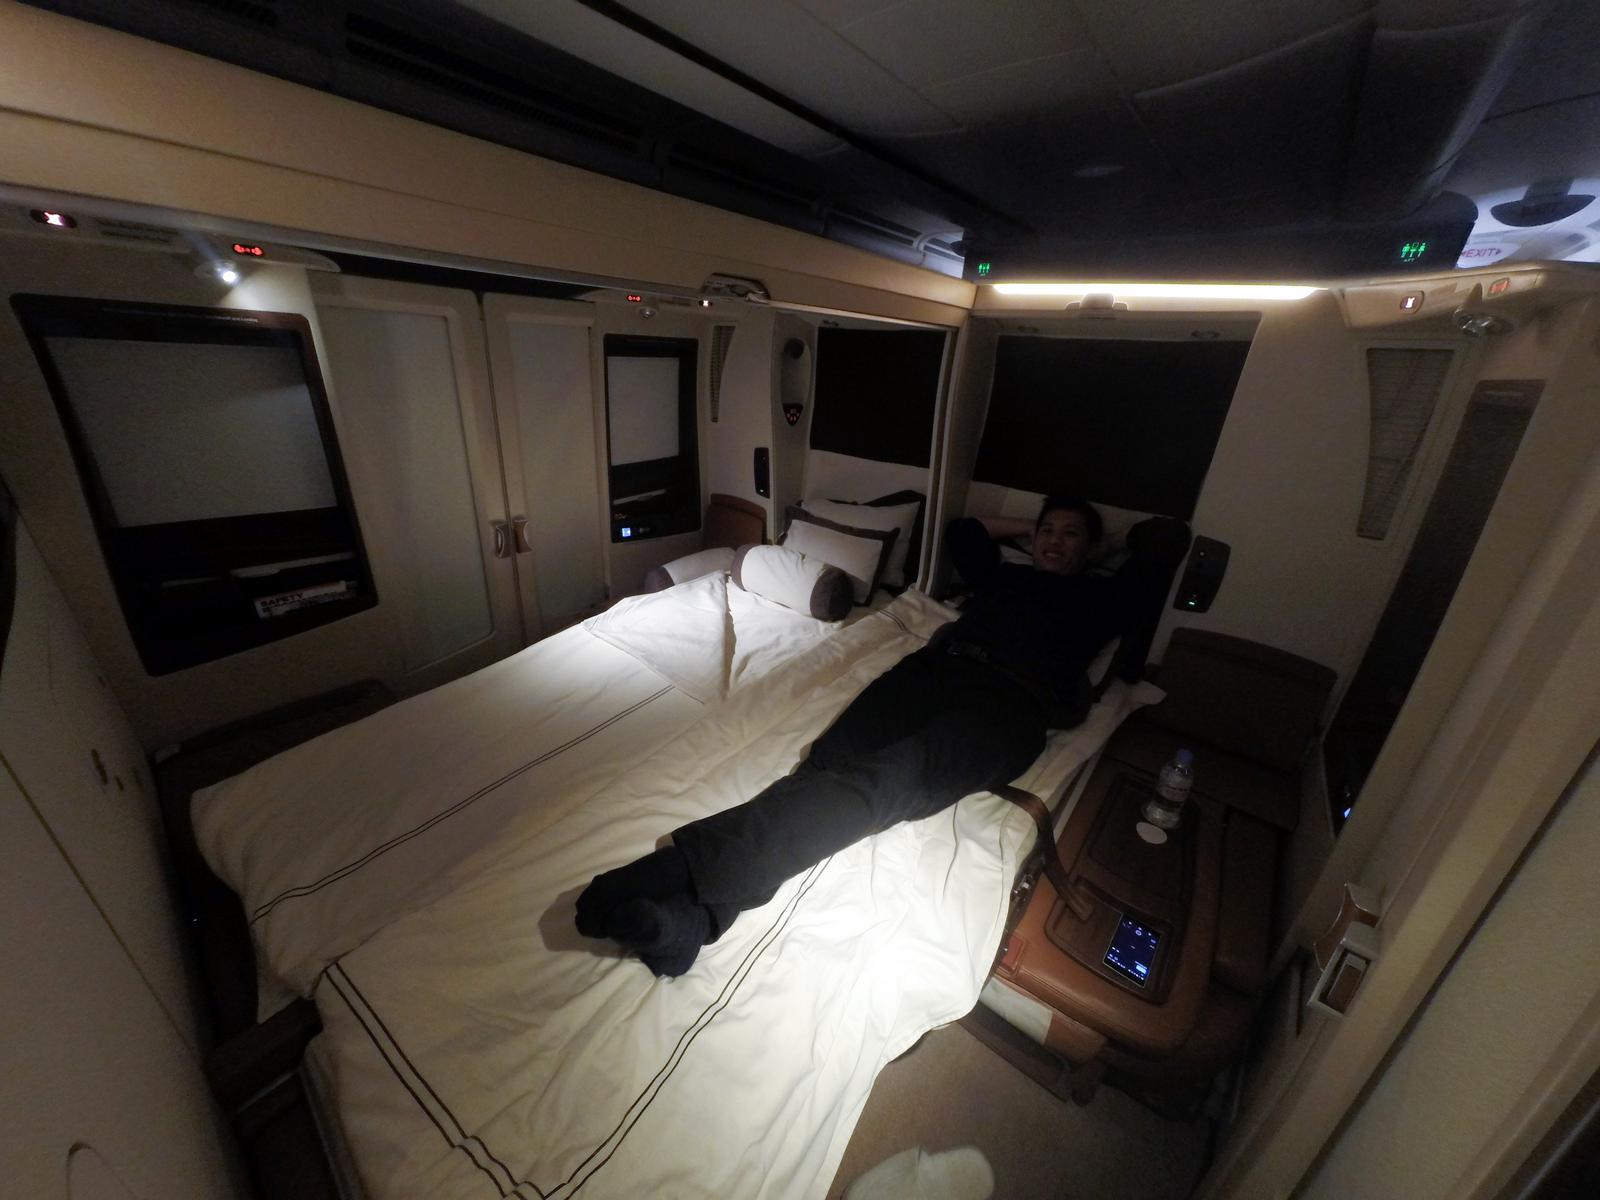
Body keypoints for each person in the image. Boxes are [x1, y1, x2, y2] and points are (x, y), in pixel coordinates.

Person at [575, 495, 1190, 976]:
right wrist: (1028, 529)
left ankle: (675, 872)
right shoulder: (1006, 576)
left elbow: (1164, 545)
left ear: (1091, 547)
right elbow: (965, 530)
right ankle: (697, 920)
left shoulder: (1101, 599)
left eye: (1070, 534)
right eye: (1047, 531)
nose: (1055, 542)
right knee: (826, 768)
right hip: (934, 672)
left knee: (891, 781)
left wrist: (1108, 545)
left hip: (1009, 705)